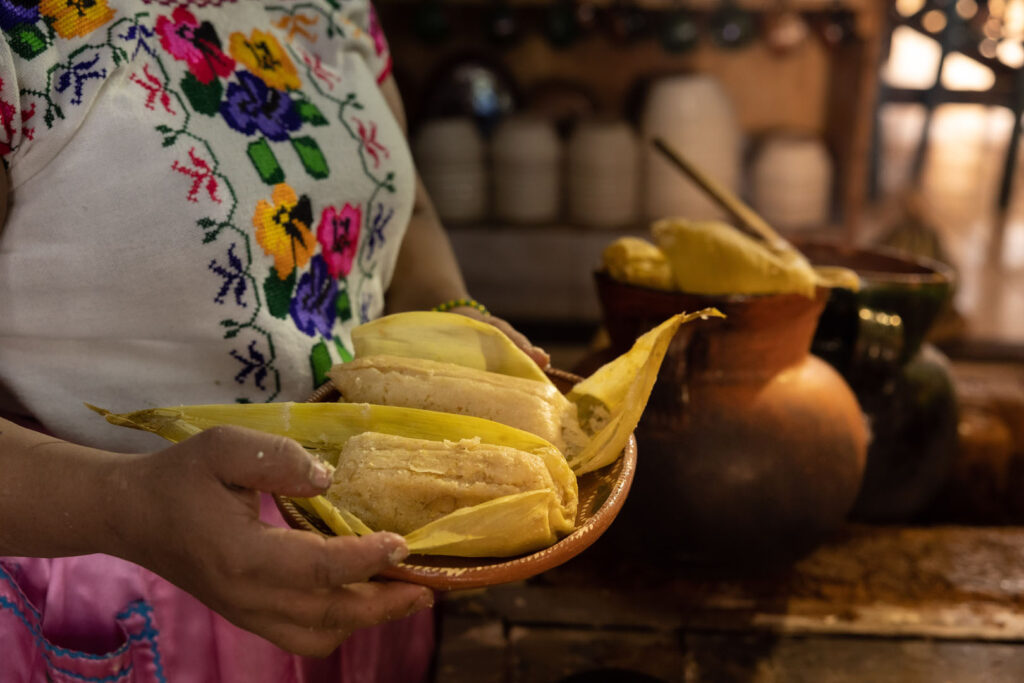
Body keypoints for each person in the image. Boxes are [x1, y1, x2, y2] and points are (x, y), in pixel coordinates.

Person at [0, 1, 547, 680]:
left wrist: (451, 318)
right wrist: (128, 506)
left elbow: (404, 210)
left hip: (364, 560)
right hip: (117, 596)